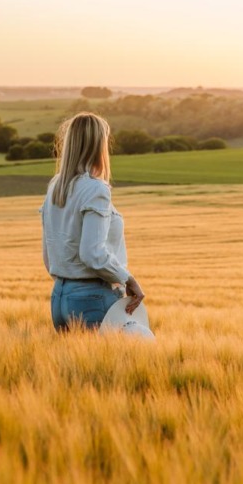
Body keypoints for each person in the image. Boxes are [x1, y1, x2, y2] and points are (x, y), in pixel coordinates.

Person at [40, 112, 145, 331]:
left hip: (60, 296)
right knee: (110, 365)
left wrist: (68, 284)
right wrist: (128, 279)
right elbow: (91, 253)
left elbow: (49, 256)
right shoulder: (95, 189)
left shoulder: (55, 186)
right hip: (92, 298)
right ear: (99, 145)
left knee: (74, 366)